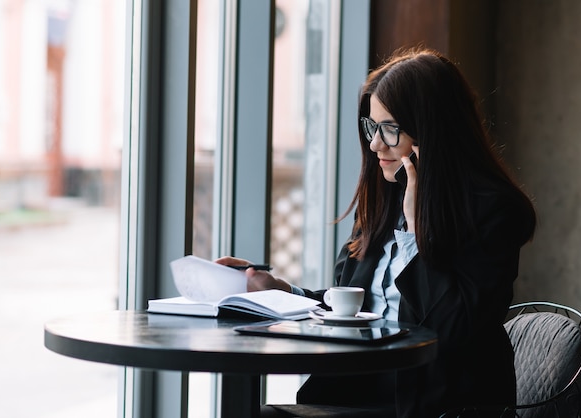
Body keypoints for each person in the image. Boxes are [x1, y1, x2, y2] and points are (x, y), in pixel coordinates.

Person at [217, 47, 537, 417]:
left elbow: (454, 327)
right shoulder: (385, 203)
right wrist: (284, 293)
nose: (374, 144)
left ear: (432, 132)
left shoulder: (493, 211)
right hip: (358, 391)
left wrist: (419, 233)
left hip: (436, 403)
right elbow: (358, 309)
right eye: (372, 126)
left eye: (389, 129)